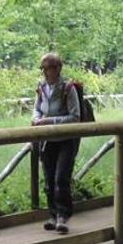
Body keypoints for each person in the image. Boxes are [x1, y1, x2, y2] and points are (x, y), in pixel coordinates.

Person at [32, 52, 82, 233]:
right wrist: (37, 119)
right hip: (47, 140)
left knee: (61, 178)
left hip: (66, 140)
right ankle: (52, 215)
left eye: (49, 68)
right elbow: (37, 109)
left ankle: (63, 216)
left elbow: (75, 117)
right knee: (48, 180)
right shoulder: (41, 87)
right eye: (43, 68)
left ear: (58, 68)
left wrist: (49, 121)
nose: (45, 72)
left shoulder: (68, 88)